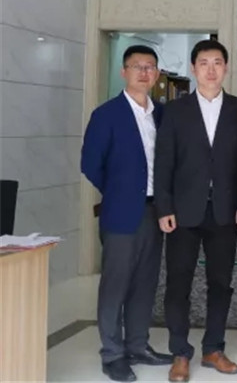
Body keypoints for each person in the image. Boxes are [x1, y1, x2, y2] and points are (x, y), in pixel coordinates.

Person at [154, 39, 237, 383]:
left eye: (217, 62)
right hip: (183, 212)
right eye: (204, 63)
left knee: (220, 284)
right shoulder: (175, 111)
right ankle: (180, 352)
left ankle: (213, 349)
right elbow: (164, 163)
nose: (211, 69)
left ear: (226, 67)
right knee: (178, 283)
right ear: (193, 69)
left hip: (225, 212)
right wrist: (164, 206)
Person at [81, 45, 173, 383]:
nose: (144, 73)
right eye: (137, 66)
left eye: (150, 67)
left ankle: (137, 345)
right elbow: (90, 163)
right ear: (124, 72)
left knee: (145, 284)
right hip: (121, 213)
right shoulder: (107, 114)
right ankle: (112, 354)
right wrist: (119, 191)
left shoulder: (163, 114)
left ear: (157, 74)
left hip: (155, 212)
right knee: (115, 285)